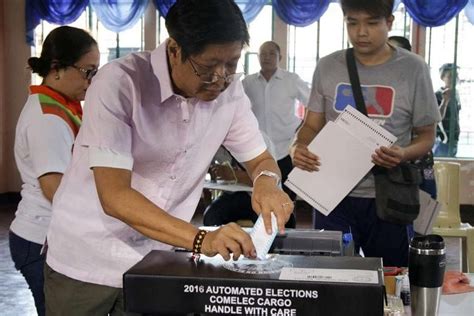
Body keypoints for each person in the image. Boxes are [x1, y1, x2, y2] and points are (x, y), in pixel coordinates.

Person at [44, 0, 293, 314]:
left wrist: (268, 184)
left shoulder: (229, 92)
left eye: (232, 64)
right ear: (174, 49)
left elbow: (260, 161)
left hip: (157, 256)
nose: (220, 78)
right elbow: (115, 195)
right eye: (207, 66)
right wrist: (203, 239)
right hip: (87, 257)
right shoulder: (120, 83)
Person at [290, 0, 440, 267]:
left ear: (389, 23)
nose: (361, 32)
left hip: (387, 197)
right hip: (331, 193)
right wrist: (297, 147)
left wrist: (402, 153)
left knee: (390, 277)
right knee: (329, 275)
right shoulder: (328, 66)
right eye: (352, 22)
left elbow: (427, 137)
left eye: (371, 23)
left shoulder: (413, 69)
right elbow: (311, 126)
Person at [8, 26, 99, 316]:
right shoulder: (48, 117)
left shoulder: (64, 106)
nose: (91, 81)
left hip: (53, 235)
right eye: (88, 71)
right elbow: (54, 190)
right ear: (57, 69)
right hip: (40, 238)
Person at [242, 41, 310, 203]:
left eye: (271, 53)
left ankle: (287, 227)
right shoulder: (247, 83)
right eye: (263, 54)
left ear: (280, 57)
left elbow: (311, 103)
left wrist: (302, 128)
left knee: (287, 197)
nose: (267, 57)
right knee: (260, 196)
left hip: (286, 149)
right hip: (258, 150)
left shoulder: (291, 79)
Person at [203, 135, 296, 228]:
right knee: (211, 216)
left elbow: (268, 180)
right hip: (231, 196)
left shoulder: (259, 140)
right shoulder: (213, 143)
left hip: (257, 195)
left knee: (269, 221)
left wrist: (234, 175)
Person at [388, 35, 436, 199]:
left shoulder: (417, 80)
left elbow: (428, 130)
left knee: (424, 206)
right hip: (394, 169)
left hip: (419, 163)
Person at [434, 63, 461, 157]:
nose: (454, 79)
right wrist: (445, 101)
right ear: (443, 78)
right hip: (443, 140)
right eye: (450, 76)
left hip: (453, 140)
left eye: (456, 75)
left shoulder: (456, 95)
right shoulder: (438, 95)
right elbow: (437, 118)